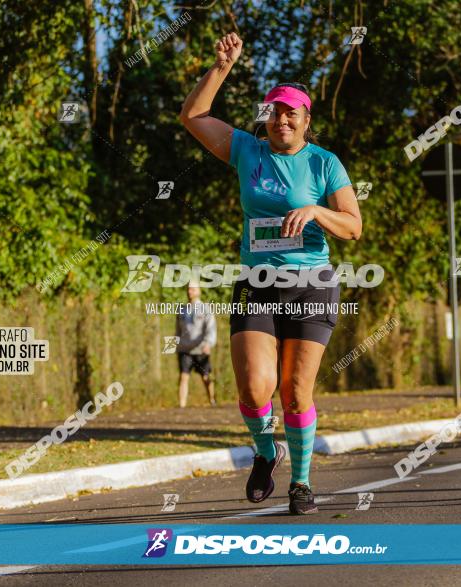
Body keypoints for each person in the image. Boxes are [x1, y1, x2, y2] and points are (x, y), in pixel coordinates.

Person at [180, 33, 362, 514]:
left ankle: (300, 483)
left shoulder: (325, 163)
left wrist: (317, 213)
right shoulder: (247, 150)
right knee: (253, 387)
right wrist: (220, 68)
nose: (281, 119)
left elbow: (353, 227)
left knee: (296, 391)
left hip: (312, 285)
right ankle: (266, 452)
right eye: (274, 112)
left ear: (306, 120)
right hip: (257, 285)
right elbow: (193, 117)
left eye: (291, 113)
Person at [176, 285, 217, 407]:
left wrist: (208, 343)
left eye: (193, 289)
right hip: (184, 349)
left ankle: (212, 400)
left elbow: (211, 328)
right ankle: (181, 406)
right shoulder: (181, 309)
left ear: (199, 291)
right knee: (183, 376)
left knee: (205, 377)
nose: (190, 291)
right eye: (188, 289)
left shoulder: (205, 308)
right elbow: (177, 330)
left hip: (201, 348)